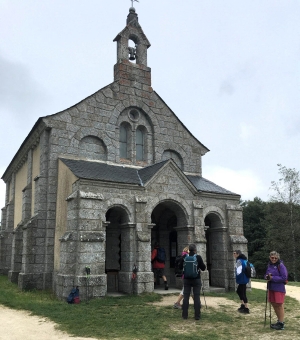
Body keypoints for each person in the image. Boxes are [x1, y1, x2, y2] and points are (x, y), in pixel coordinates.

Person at [178, 244, 206, 320]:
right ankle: (197, 316)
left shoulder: (184, 257)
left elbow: (180, 267)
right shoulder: (198, 257)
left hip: (186, 279)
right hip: (196, 279)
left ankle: (185, 315)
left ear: (188, 250)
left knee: (186, 297)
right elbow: (203, 268)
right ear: (195, 250)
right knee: (196, 297)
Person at [264, 250, 288, 330]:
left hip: (279, 288)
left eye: (275, 258)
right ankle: (279, 321)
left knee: (279, 305)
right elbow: (266, 274)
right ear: (269, 257)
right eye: (272, 257)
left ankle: (281, 323)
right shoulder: (269, 265)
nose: (273, 259)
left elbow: (284, 277)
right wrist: (266, 277)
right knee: (274, 303)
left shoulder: (281, 265)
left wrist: (272, 278)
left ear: (278, 257)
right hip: (271, 287)